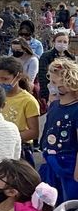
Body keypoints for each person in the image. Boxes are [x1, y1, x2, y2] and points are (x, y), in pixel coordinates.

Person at [40, 59, 78, 202]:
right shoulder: (54, 105)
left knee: (69, 203)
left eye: (55, 83)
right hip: (51, 162)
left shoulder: (76, 109)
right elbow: (48, 130)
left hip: (69, 164)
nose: (51, 86)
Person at [0, 57, 41, 167]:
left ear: (18, 77)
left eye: (5, 79)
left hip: (20, 148)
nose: (0, 83)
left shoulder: (28, 100)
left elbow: (34, 132)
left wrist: (8, 136)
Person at [37, 30, 75, 102]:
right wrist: (45, 95)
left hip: (67, 90)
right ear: (54, 42)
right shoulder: (46, 56)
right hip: (51, 89)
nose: (62, 44)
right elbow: (42, 76)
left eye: (65, 42)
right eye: (59, 41)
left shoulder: (71, 57)